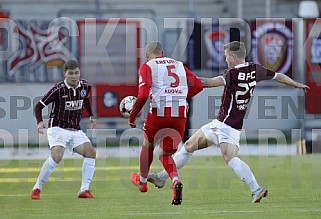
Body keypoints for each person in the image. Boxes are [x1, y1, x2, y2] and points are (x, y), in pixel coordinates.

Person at [147, 41, 310, 203]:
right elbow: (277, 76)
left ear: (233, 56)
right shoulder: (256, 69)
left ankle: (256, 188)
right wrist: (295, 84)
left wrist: (182, 80)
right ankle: (161, 178)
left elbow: (209, 83)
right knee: (189, 146)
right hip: (223, 124)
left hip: (226, 126)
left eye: (226, 57)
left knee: (230, 158)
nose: (225, 60)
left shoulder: (232, 74)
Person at [129, 42, 203, 205]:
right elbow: (198, 86)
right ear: (162, 52)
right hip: (180, 114)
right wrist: (182, 95)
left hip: (159, 113)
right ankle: (175, 181)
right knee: (166, 154)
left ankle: (142, 181)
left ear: (147, 55)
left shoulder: (147, 66)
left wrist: (133, 116)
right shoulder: (178, 65)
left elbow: (142, 96)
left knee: (148, 144)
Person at [30, 59, 97, 200]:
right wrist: (40, 122)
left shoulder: (85, 86)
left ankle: (84, 190)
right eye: (71, 73)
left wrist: (91, 115)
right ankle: (37, 187)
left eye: (77, 73)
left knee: (91, 152)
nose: (74, 76)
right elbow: (38, 106)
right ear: (65, 73)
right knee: (57, 156)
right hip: (57, 128)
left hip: (75, 129)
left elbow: (85, 99)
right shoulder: (58, 89)